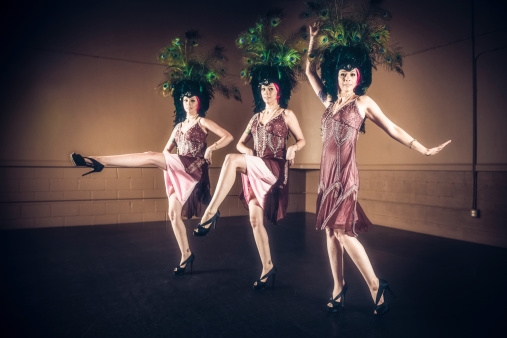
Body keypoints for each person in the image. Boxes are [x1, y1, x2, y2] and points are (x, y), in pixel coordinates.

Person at [304, 10, 450, 315]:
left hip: (345, 176)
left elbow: (392, 127)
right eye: (342, 73)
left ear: (360, 77)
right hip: (325, 176)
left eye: (351, 73)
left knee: (344, 232)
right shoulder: (329, 101)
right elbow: (309, 70)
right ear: (337, 76)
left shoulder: (363, 103)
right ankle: (338, 289)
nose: (345, 77)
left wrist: (421, 148)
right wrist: (313, 40)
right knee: (331, 232)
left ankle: (375, 286)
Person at [70, 31, 240, 276]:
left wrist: (212, 148)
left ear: (198, 102)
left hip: (193, 166)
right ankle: (186, 255)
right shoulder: (178, 127)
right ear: (180, 102)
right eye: (185, 100)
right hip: (177, 168)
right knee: (173, 214)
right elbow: (166, 151)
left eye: (192, 100)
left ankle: (96, 160)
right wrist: (165, 167)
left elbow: (228, 137)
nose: (188, 104)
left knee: (149, 155)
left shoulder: (202, 122)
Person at [193, 12, 307, 289]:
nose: (266, 92)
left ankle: (211, 213)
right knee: (255, 221)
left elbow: (302, 140)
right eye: (263, 89)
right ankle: (268, 267)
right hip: (257, 168)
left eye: (270, 88)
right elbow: (240, 142)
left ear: (278, 90)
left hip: (275, 168)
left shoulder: (287, 114)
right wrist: (249, 153)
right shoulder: (256, 118)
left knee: (232, 159)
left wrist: (294, 148)